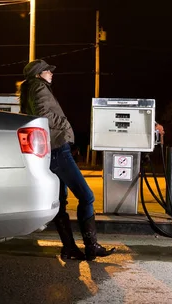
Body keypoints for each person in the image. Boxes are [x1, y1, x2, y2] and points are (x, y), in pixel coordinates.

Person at [17, 59, 115, 261]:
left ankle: (70, 248)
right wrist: (65, 123)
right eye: (47, 71)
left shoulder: (31, 89)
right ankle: (91, 245)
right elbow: (43, 114)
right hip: (59, 150)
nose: (51, 73)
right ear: (38, 74)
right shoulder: (39, 88)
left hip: (51, 151)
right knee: (86, 197)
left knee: (61, 203)